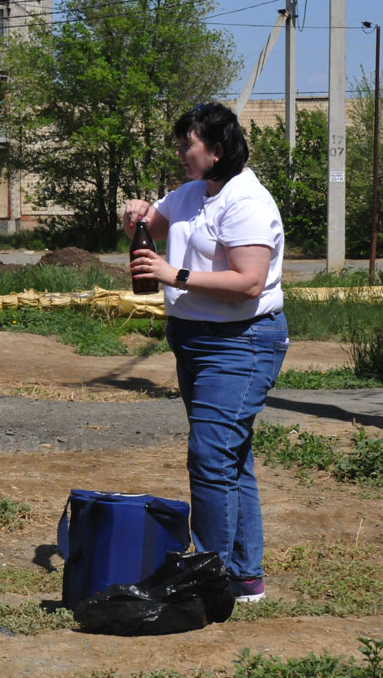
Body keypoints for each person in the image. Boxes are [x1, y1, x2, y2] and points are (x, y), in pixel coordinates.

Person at [121, 102, 287, 603]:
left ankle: (207, 582)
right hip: (195, 340)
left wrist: (177, 276)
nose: (179, 153)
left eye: (186, 145)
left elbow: (249, 282)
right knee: (231, 458)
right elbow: (152, 220)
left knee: (210, 458)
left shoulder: (247, 201)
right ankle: (242, 576)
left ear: (215, 151)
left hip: (240, 344)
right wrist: (136, 214)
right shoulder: (194, 193)